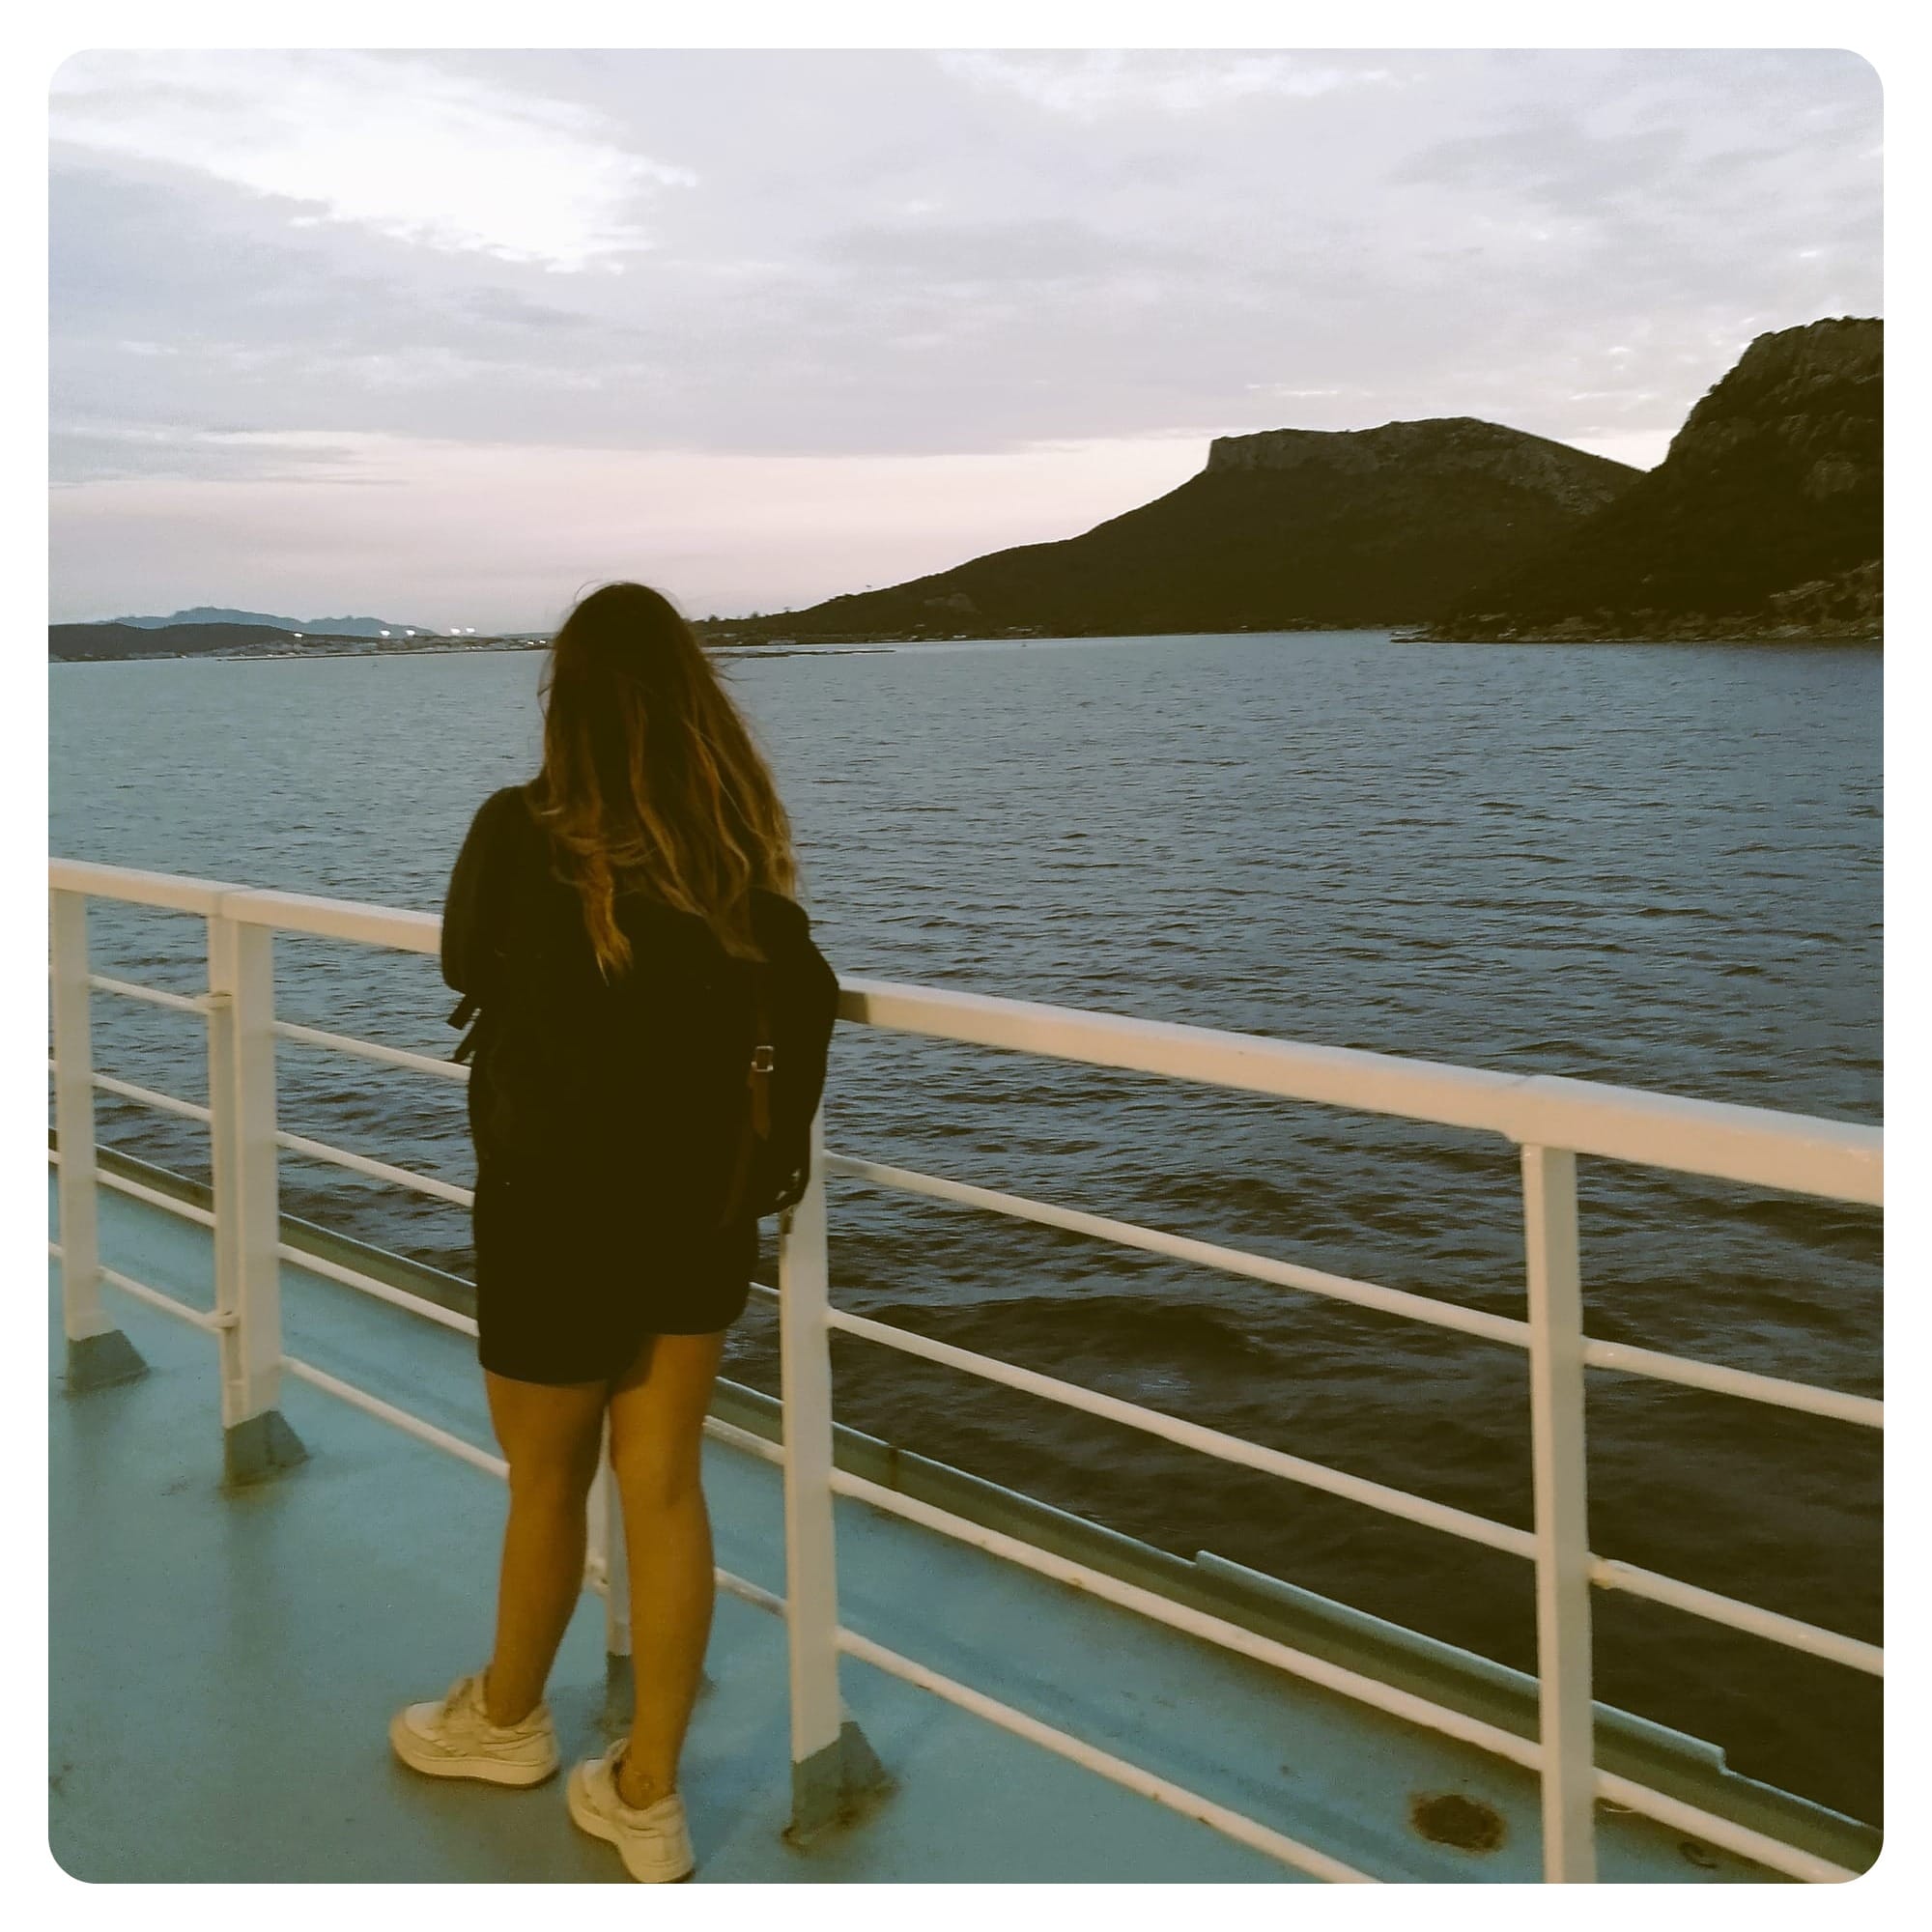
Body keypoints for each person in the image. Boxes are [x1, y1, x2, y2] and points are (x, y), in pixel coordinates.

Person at [388, 582, 839, 1883]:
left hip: (548, 1217)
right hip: (696, 1217)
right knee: (665, 1488)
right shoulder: (737, 865)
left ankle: (507, 1722)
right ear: (697, 705)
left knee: (546, 1482)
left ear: (565, 704)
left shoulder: (514, 835)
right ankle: (647, 1796)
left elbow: (465, 966)